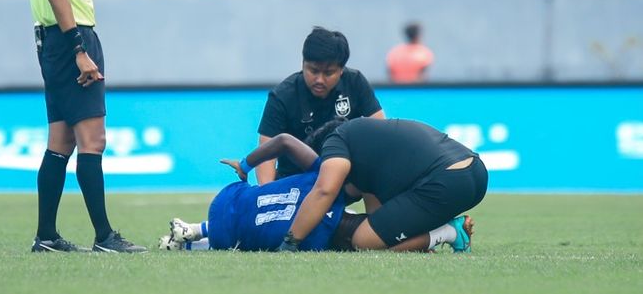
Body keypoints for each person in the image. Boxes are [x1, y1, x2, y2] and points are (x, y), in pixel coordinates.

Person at [28, 0, 146, 253]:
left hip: (50, 44)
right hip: (70, 40)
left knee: (60, 142)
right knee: (93, 140)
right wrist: (80, 48)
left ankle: (46, 236)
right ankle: (104, 237)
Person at [160, 132, 473, 253]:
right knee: (369, 240)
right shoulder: (325, 170)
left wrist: (246, 164)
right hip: (319, 217)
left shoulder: (341, 176)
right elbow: (284, 143)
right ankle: (445, 231)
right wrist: (245, 163)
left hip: (328, 216)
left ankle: (446, 230)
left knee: (371, 242)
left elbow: (285, 143)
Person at [274, 117, 487, 252]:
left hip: (447, 181)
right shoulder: (367, 145)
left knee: (363, 241)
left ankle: (450, 231)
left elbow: (324, 190)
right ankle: (443, 230)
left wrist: (290, 242)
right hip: (476, 173)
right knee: (376, 236)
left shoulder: (335, 140)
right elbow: (379, 222)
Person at [256, 26, 385, 185]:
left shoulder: (355, 82)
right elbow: (266, 153)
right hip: (295, 179)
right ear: (303, 63)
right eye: (313, 70)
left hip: (343, 175)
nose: (319, 80)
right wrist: (265, 195)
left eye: (328, 73)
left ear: (341, 70)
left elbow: (380, 131)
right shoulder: (282, 96)